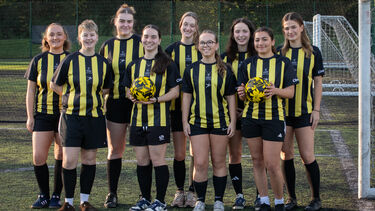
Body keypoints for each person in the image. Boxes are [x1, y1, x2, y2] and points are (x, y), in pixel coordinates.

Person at [51, 19, 112, 211]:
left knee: (89, 160)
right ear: (79, 38)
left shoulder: (103, 63)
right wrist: (72, 97)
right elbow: (54, 84)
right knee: (69, 160)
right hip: (71, 117)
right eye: (85, 35)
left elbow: (106, 88)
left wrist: (90, 97)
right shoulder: (69, 60)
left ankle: (84, 201)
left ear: (97, 37)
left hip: (94, 117)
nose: (89, 38)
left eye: (92, 35)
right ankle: (68, 203)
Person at [237, 27, 299, 211]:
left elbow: (290, 92)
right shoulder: (247, 64)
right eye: (257, 40)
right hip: (251, 118)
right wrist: (242, 93)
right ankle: (263, 200)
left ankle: (279, 201)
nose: (260, 44)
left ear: (272, 42)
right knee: (257, 161)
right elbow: (242, 95)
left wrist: (275, 91)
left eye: (264, 40)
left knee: (272, 164)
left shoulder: (283, 63)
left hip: (274, 118)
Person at [123, 24, 180, 211]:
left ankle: (160, 201)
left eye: (153, 37)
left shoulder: (168, 64)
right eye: (146, 37)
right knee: (142, 161)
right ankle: (145, 199)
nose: (149, 40)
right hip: (137, 119)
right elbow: (126, 89)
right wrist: (130, 95)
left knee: (158, 161)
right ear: (142, 40)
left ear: (159, 40)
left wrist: (156, 99)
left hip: (159, 120)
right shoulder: (134, 65)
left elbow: (175, 92)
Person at [182, 30, 237, 211]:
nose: (206, 46)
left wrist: (232, 122)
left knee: (219, 162)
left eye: (210, 42)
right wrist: (185, 122)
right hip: (197, 123)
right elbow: (186, 98)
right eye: (203, 43)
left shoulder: (226, 70)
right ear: (198, 46)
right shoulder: (191, 70)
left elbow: (231, 98)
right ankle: (201, 200)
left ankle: (219, 200)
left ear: (216, 45)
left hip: (220, 122)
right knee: (200, 163)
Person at [279, 12, 324, 211]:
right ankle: (291, 198)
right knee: (286, 154)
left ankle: (316, 199)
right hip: (282, 113)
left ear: (301, 28)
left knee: (307, 155)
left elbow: (318, 84)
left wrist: (316, 109)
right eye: (286, 28)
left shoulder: (314, 52)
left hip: (305, 111)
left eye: (293, 27)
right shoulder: (279, 53)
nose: (290, 31)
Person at [99, 4, 144, 208]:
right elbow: (100, 75)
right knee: (115, 150)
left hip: (140, 105)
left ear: (133, 24)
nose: (125, 24)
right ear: (115, 22)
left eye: (129, 21)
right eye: (122, 21)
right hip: (115, 103)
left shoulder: (142, 42)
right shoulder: (107, 46)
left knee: (142, 151)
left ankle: (144, 195)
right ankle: (112, 193)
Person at [25, 23, 70, 209]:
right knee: (38, 156)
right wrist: (30, 116)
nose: (55, 38)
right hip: (42, 114)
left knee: (61, 155)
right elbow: (30, 91)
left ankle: (55, 196)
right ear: (46, 38)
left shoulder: (72, 59)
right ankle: (43, 194)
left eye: (59, 34)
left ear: (65, 37)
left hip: (65, 114)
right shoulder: (38, 60)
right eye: (52, 34)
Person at [165, 11, 201, 208]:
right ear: (180, 26)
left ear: (196, 28)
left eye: (192, 25)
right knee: (179, 154)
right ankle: (180, 191)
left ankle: (193, 191)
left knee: (196, 153)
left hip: (199, 109)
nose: (188, 28)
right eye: (185, 24)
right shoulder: (169, 50)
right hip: (176, 109)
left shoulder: (202, 49)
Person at [221, 17, 256, 210]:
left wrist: (247, 107)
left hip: (254, 114)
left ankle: (261, 195)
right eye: (237, 32)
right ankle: (239, 195)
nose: (241, 35)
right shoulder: (224, 57)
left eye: (244, 31)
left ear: (250, 33)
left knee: (258, 157)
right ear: (233, 35)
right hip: (231, 115)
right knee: (234, 155)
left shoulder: (259, 55)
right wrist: (231, 109)